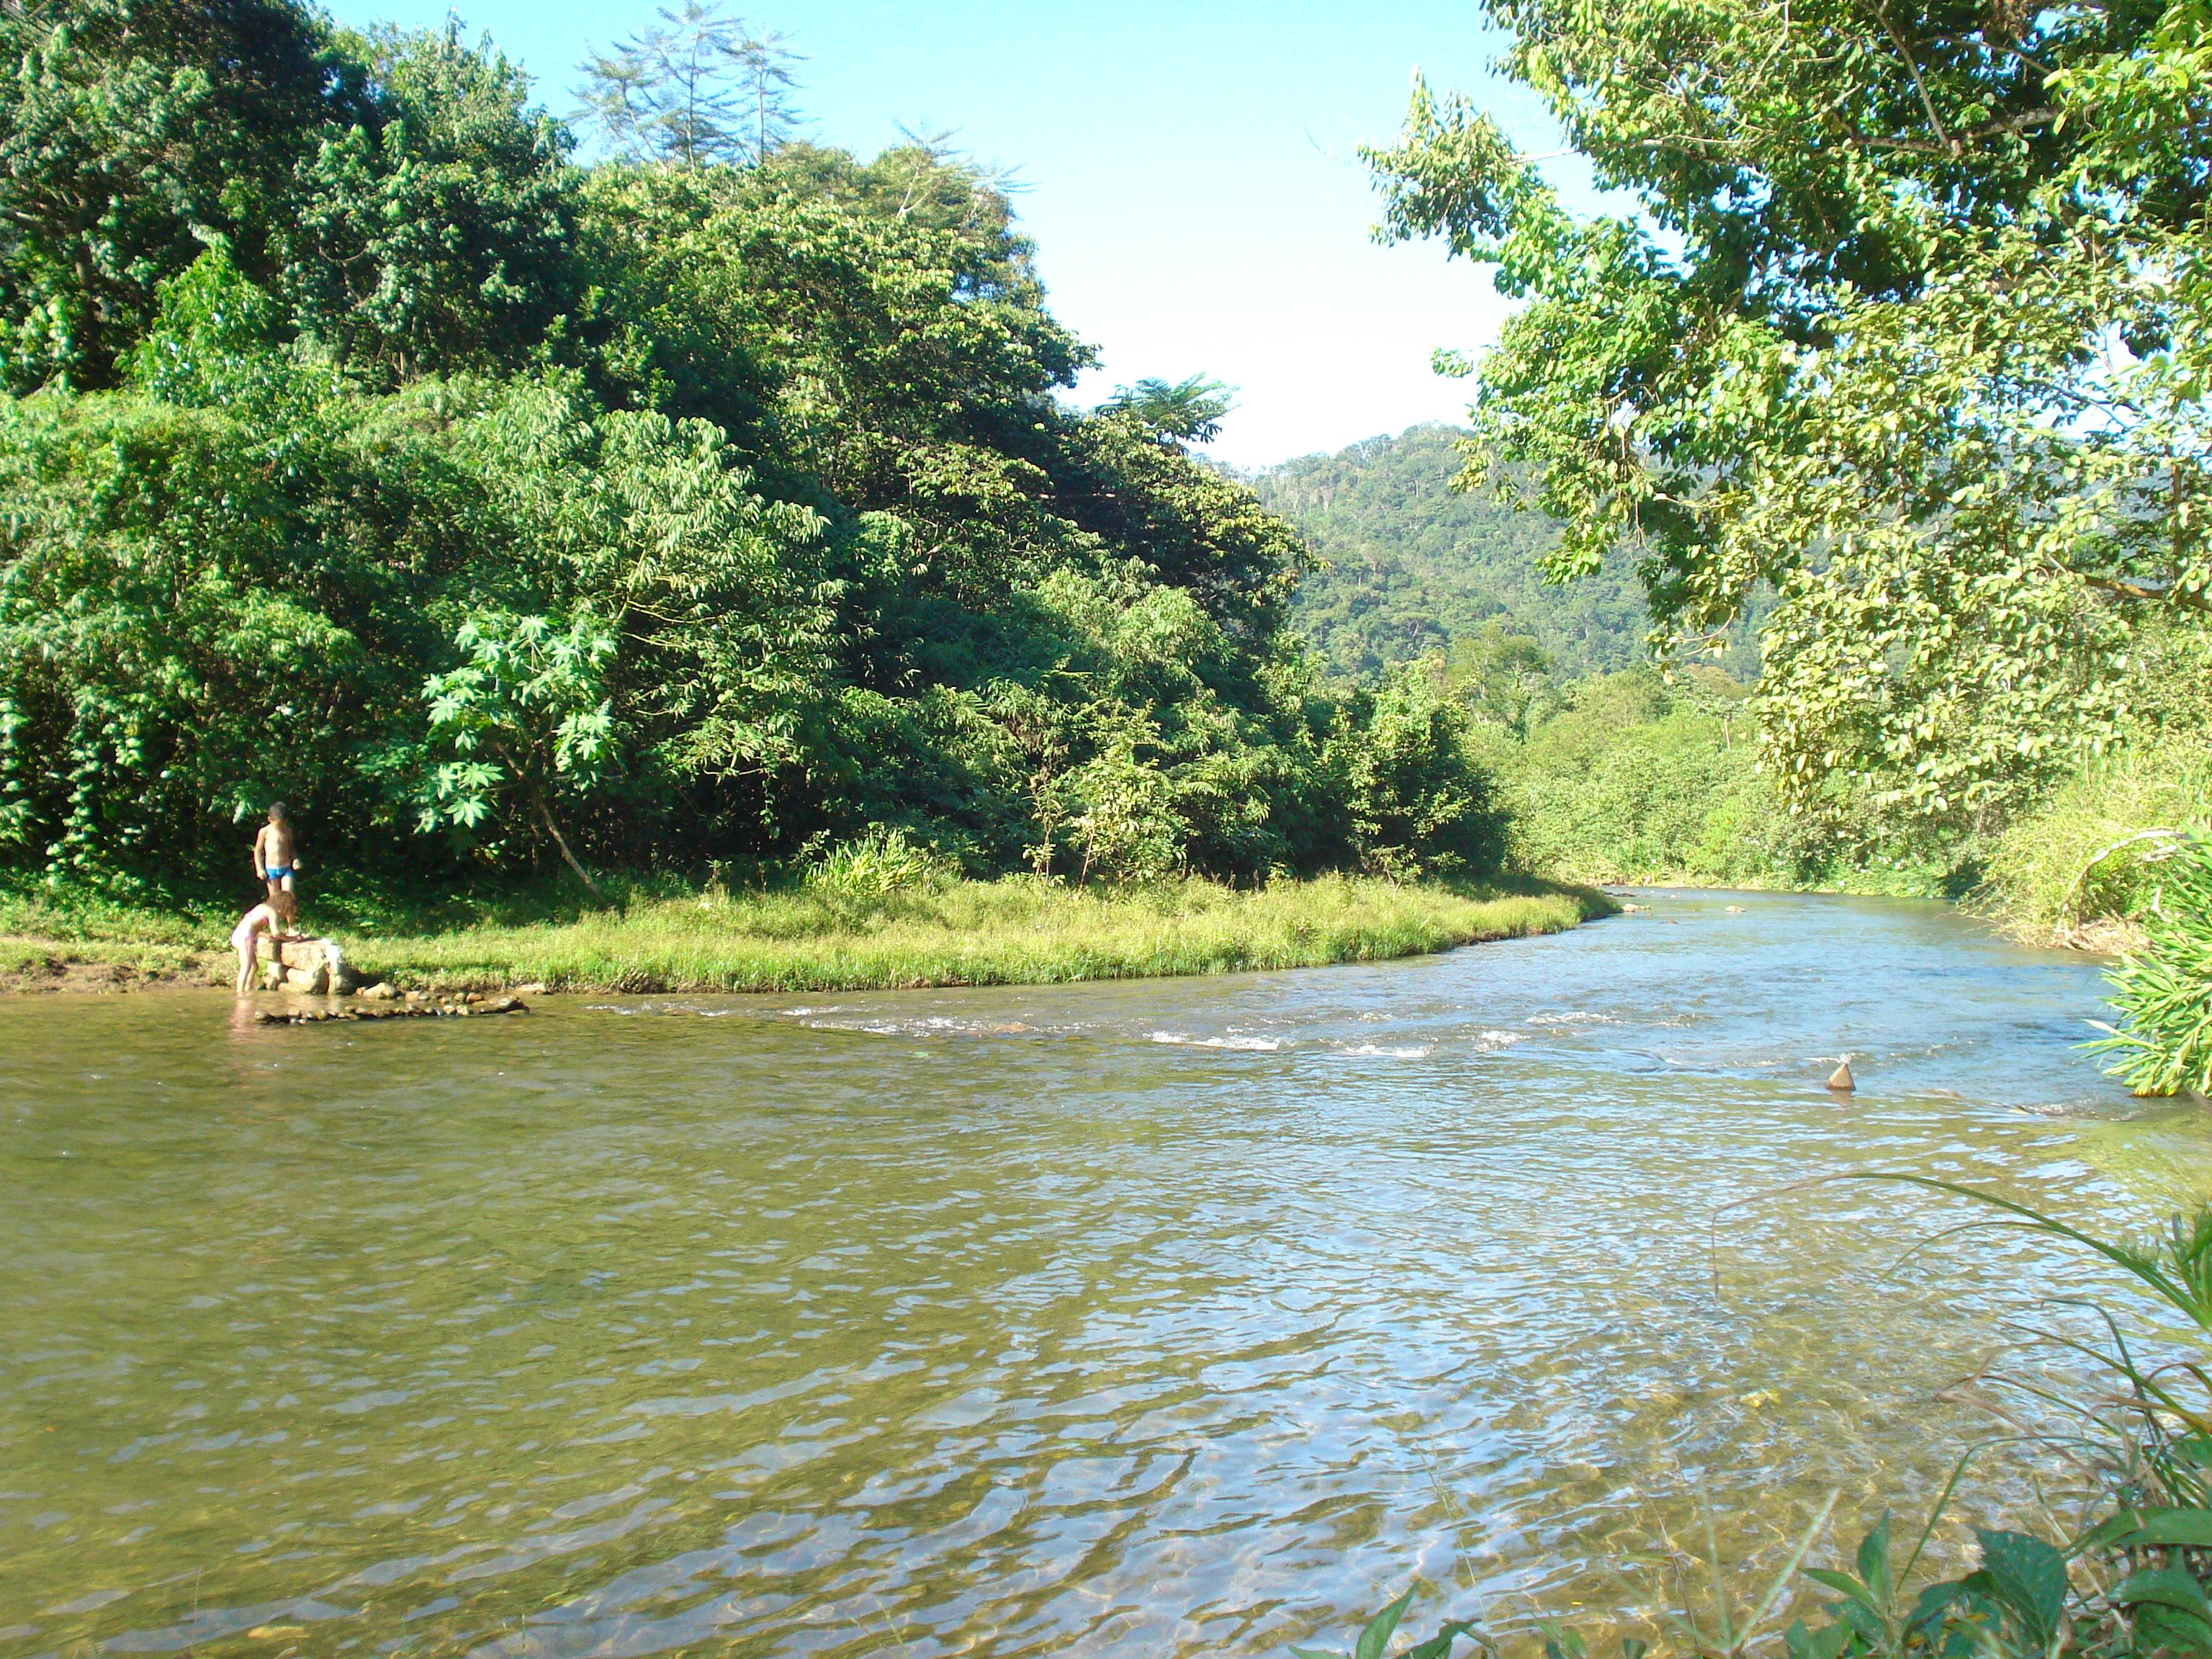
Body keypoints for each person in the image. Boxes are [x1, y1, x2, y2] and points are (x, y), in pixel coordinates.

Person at [232, 889, 300, 994]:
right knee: (246, 966)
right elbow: (276, 933)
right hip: (245, 937)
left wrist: (266, 936)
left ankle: (248, 988)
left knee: (254, 966)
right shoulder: (273, 912)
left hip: (239, 934)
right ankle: (240, 994)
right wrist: (293, 939)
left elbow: (252, 926)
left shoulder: (262, 907)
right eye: (288, 911)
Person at [252, 802, 301, 898]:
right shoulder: (265, 832)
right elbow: (257, 851)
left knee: (288, 896)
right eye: (278, 825)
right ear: (269, 819)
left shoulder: (287, 830)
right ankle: (277, 913)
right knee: (275, 898)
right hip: (271, 869)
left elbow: (291, 848)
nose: (281, 827)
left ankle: (288, 913)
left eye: (283, 824)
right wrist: (260, 869)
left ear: (286, 821)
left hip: (286, 867)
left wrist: (295, 859)